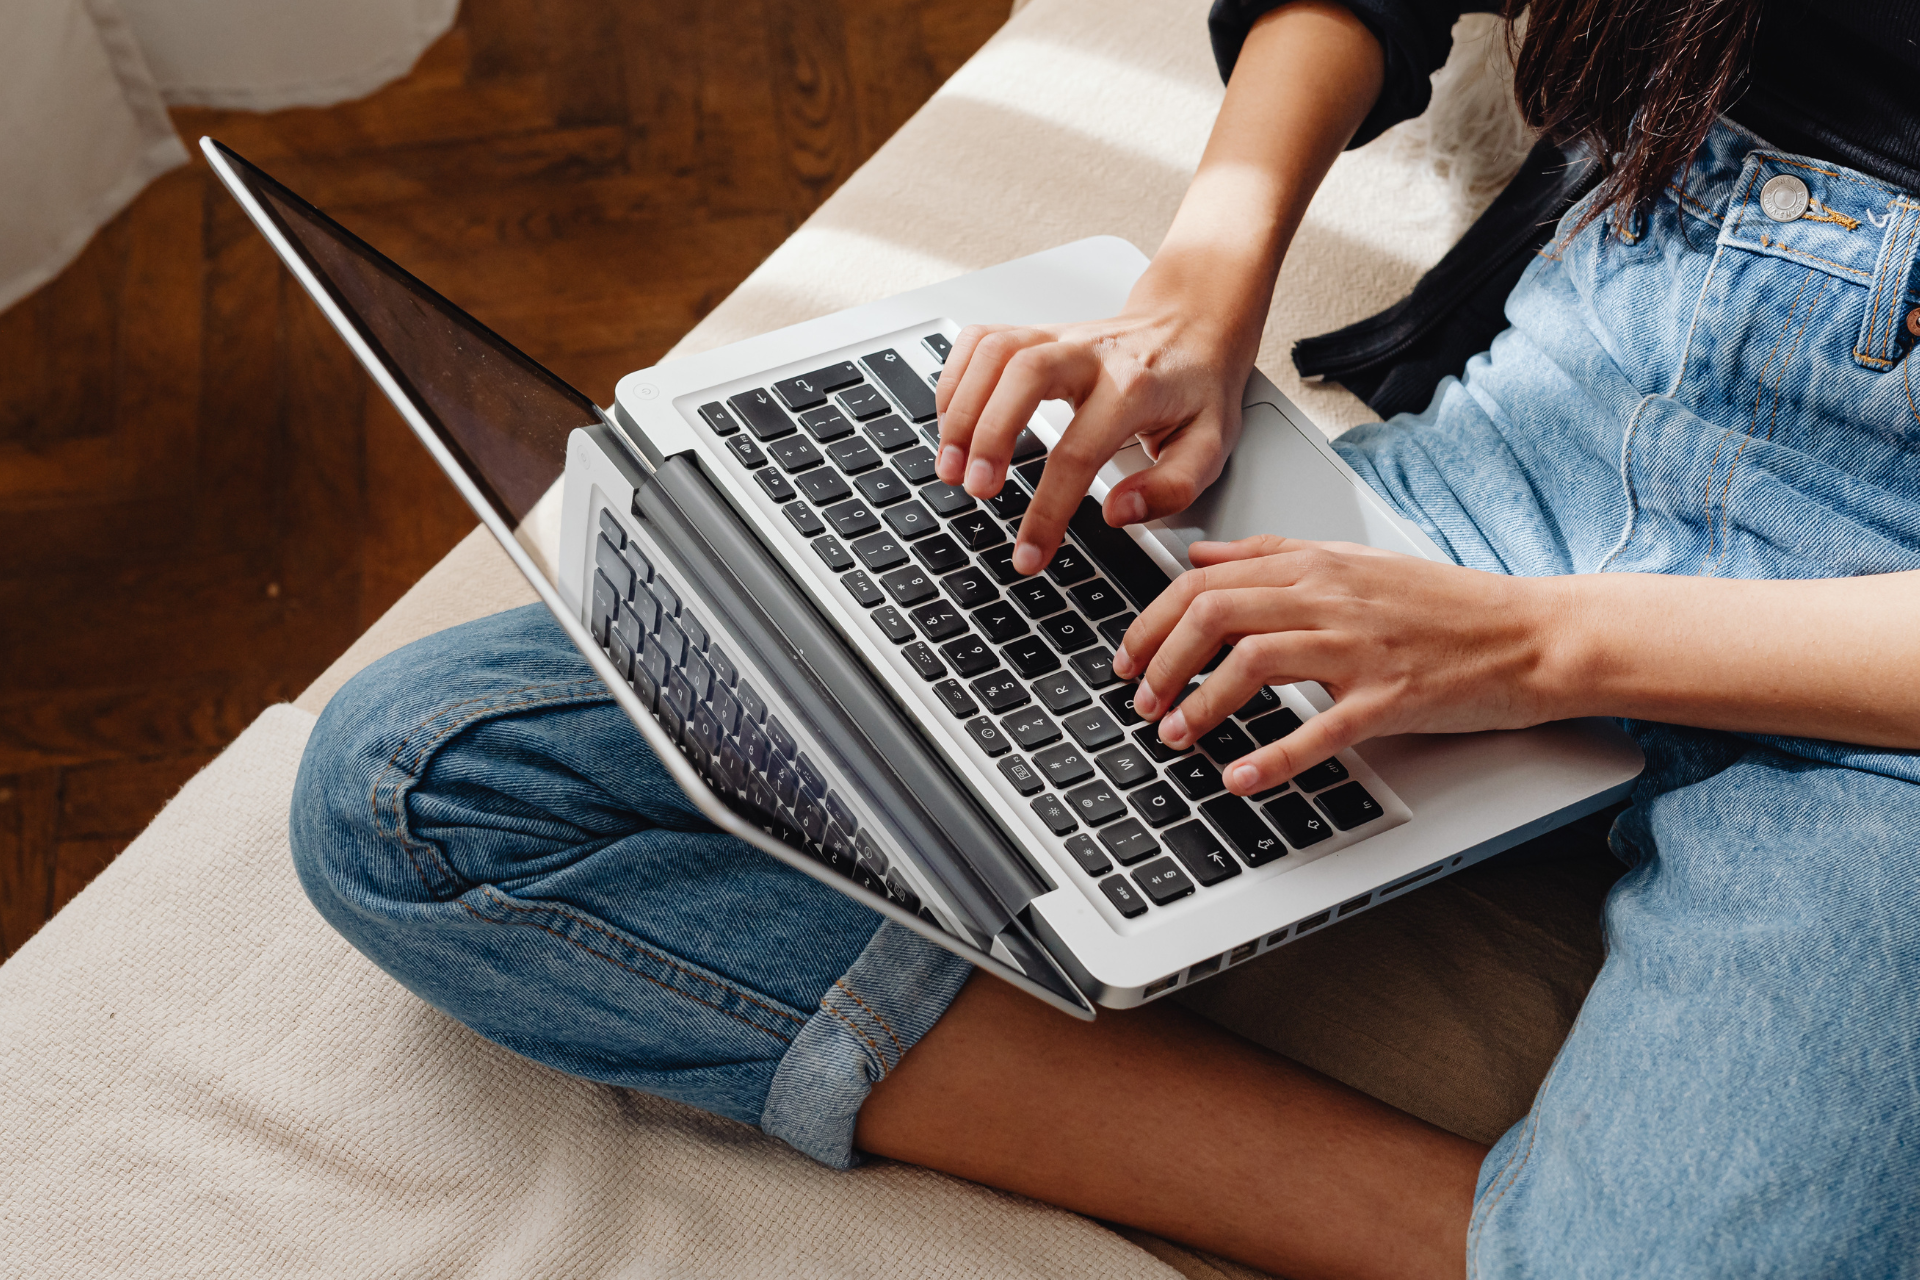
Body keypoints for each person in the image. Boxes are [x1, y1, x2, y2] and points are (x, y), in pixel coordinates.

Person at [290, 0, 1920, 1274]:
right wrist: (1202, 277)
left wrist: (1536, 651)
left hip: (1877, 678)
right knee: (428, 792)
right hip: (1575, 407)